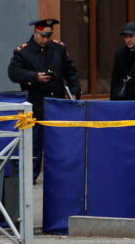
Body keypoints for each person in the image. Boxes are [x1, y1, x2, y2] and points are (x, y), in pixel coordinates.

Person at [8, 19, 81, 182]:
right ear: (35, 33)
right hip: (36, 105)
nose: (46, 39)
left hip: (57, 105)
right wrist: (34, 77)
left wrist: (75, 91)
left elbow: (71, 72)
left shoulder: (59, 49)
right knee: (34, 146)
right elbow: (13, 73)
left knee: (59, 145)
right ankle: (30, 178)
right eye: (43, 36)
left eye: (49, 35)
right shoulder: (23, 52)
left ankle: (60, 177)